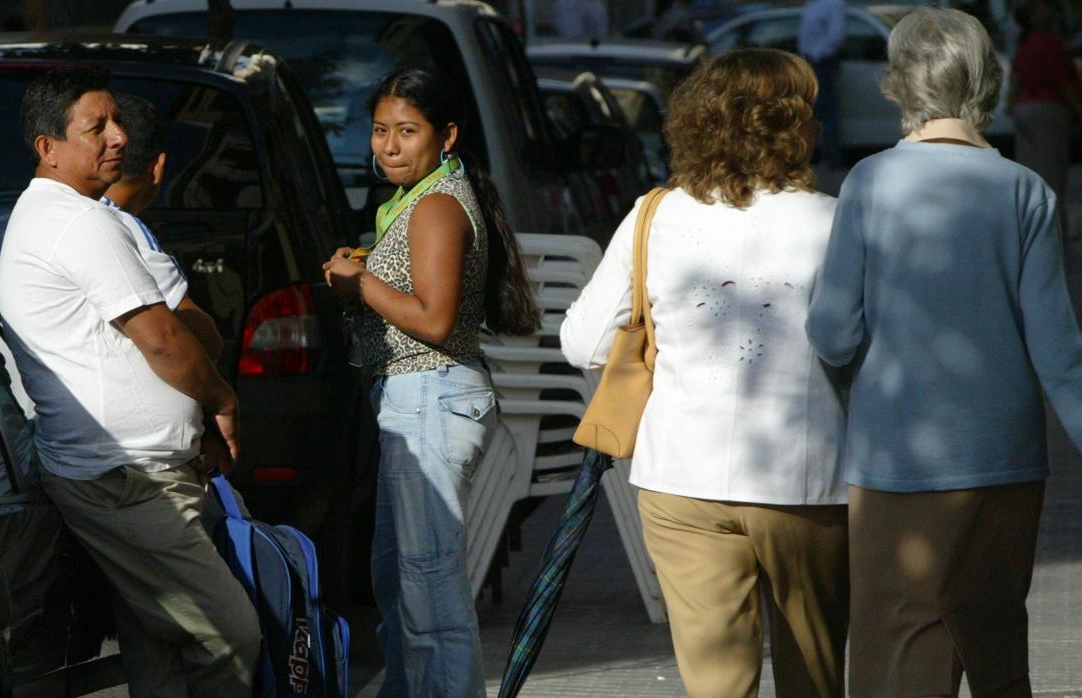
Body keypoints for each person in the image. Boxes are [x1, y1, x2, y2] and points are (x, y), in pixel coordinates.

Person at [807, 8, 1082, 698]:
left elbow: (832, 330)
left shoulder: (870, 183)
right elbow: (1059, 348)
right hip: (1006, 454)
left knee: (898, 650)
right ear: (987, 80)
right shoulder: (1026, 190)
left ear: (898, 84)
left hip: (899, 455)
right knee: (994, 645)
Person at [561, 48, 848, 698]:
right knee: (817, 679)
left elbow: (583, 342)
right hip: (807, 482)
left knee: (717, 686)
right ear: (793, 124)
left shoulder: (655, 215)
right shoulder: (837, 219)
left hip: (681, 479)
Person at [0, 67, 258, 697]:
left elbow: (191, 327)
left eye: (116, 120)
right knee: (231, 635)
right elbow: (166, 339)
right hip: (124, 480)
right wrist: (221, 400)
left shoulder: (92, 216)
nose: (118, 137)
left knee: (159, 642)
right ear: (48, 148)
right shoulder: (74, 223)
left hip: (140, 473)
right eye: (97, 127)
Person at [322, 68, 539, 698]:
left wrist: (357, 282)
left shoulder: (438, 205)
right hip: (413, 402)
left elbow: (436, 320)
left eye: (407, 131)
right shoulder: (416, 200)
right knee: (397, 581)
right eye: (380, 130)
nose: (388, 146)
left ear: (446, 135)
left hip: (432, 399)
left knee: (429, 592)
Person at [1009, 0, 1081, 229]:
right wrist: (1078, 111)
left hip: (1023, 109)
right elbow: (1063, 83)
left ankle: (1031, 222)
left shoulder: (1024, 44)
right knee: (1054, 169)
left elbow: (1015, 81)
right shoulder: (1049, 43)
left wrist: (1011, 107)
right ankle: (1055, 223)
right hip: (1048, 110)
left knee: (1031, 168)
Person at [797, 0, 846, 168]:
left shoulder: (833, 4)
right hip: (809, 63)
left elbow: (835, 35)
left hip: (821, 63)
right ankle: (813, 156)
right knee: (811, 111)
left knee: (827, 113)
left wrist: (816, 56)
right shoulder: (811, 5)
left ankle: (831, 159)